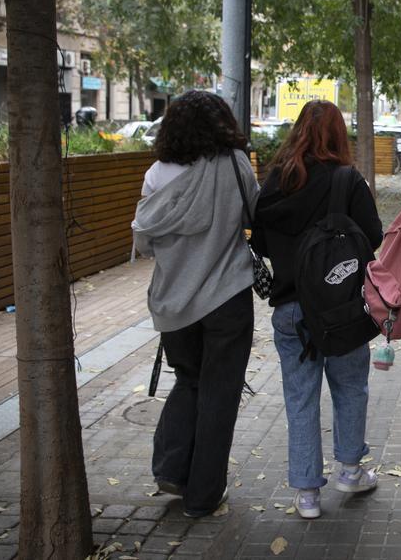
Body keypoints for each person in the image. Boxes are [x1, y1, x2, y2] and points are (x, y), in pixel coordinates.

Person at [251, 99, 383, 519]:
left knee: (300, 399)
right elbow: (375, 236)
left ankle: (307, 493)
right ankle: (350, 469)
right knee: (350, 388)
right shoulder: (347, 181)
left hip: (291, 311)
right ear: (339, 135)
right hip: (342, 309)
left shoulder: (275, 182)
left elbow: (259, 242)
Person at [132, 91, 258, 518]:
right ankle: (203, 497)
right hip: (228, 296)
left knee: (188, 380)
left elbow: (145, 243)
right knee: (219, 395)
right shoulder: (237, 165)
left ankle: (172, 469)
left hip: (174, 304)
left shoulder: (156, 174)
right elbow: (252, 217)